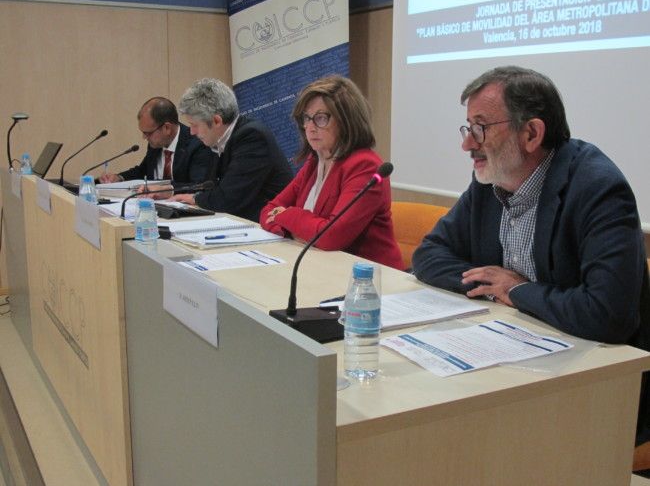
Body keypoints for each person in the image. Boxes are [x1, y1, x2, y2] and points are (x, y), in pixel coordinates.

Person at [411, 66, 649, 451]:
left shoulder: (598, 188)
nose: (468, 144)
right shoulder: (490, 181)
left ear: (531, 134)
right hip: (513, 359)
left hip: (597, 389)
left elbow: (608, 315)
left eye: (481, 128)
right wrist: (493, 288)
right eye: (468, 128)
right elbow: (429, 254)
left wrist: (517, 291)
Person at [259, 75, 403, 270]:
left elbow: (331, 236)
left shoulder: (364, 166)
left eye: (321, 118)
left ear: (346, 120)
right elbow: (269, 210)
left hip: (368, 278)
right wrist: (290, 229)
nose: (310, 128)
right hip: (319, 266)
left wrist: (287, 216)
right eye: (306, 118)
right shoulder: (315, 161)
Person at [148, 78, 293, 222]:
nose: (191, 132)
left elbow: (229, 198)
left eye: (194, 125)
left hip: (268, 226)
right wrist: (170, 190)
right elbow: (207, 186)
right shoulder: (220, 138)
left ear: (217, 121)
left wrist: (195, 199)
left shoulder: (252, 137)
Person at [99, 97, 212, 186]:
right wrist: (119, 177)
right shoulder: (156, 144)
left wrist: (164, 189)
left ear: (167, 128)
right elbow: (142, 171)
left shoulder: (197, 145)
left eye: (148, 133)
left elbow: (197, 186)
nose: (144, 137)